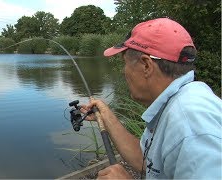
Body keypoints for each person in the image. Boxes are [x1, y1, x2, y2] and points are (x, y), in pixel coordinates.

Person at [80, 18, 222, 179]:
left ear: (146, 65)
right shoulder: (175, 104)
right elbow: (148, 163)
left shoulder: (191, 125)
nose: (123, 72)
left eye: (124, 64)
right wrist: (106, 115)